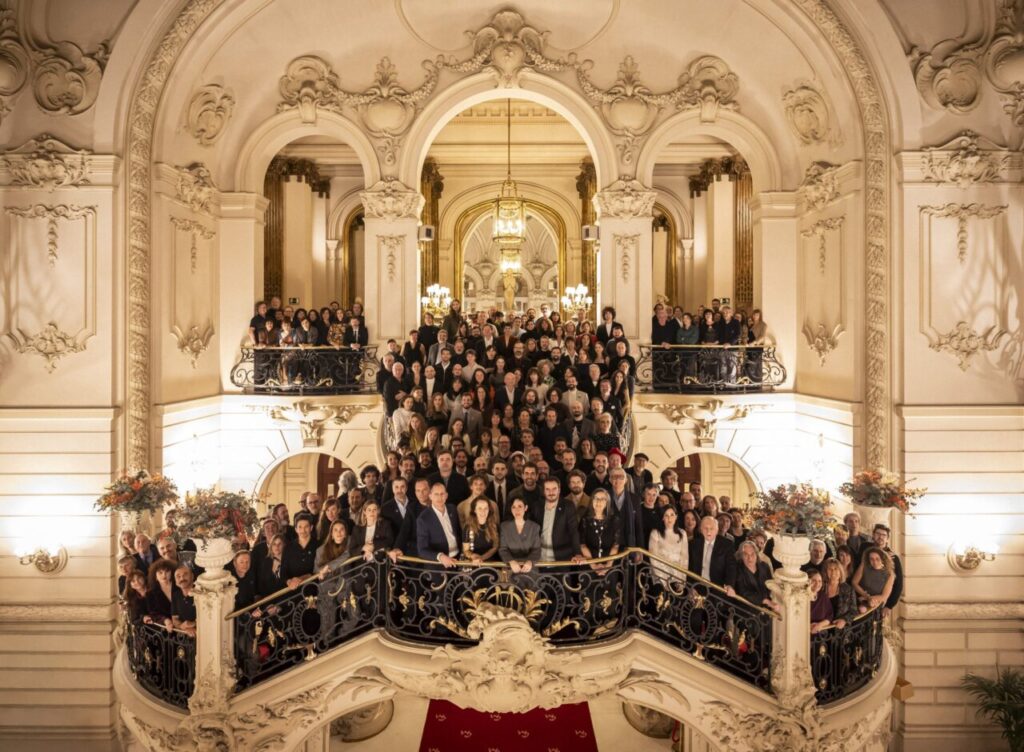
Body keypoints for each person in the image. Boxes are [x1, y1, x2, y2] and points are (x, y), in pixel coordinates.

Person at [531, 478, 583, 563]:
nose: (551, 492)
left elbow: (574, 532)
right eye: (547, 489)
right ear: (544, 491)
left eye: (554, 489)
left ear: (559, 490)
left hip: (562, 558)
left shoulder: (568, 506)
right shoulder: (537, 506)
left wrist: (577, 553)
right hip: (540, 558)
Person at [416, 482, 461, 567]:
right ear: (430, 496)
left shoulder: (453, 509)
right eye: (436, 494)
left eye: (442, 494)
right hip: (439, 564)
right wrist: (440, 556)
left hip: (458, 560)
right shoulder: (423, 519)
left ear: (446, 495)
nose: (439, 497)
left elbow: (458, 532)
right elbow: (422, 550)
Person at [689, 515, 737, 588]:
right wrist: (690, 587)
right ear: (701, 529)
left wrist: (729, 585)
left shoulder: (727, 544)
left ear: (717, 530)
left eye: (712, 528)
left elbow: (731, 567)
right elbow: (689, 567)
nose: (709, 531)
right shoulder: (693, 544)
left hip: (718, 588)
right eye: (705, 528)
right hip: (697, 586)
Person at [499, 498, 542, 574]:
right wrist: (511, 561)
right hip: (511, 569)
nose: (517, 510)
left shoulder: (535, 527)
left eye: (520, 506)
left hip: (529, 569)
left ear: (525, 508)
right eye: (513, 507)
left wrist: (530, 561)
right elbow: (503, 549)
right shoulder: (504, 526)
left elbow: (537, 550)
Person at [648, 506, 689, 586]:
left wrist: (682, 580)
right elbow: (653, 558)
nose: (669, 518)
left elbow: (684, 558)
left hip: (677, 576)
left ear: (676, 517)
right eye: (666, 515)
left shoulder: (682, 533)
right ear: (662, 518)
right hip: (659, 575)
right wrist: (663, 580)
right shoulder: (655, 532)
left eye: (672, 515)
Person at [731, 541, 775, 610]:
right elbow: (743, 592)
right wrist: (765, 601)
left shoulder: (764, 566)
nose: (750, 558)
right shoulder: (737, 569)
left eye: (752, 554)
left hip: (766, 610)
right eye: (746, 555)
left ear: (757, 554)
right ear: (741, 556)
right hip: (746, 612)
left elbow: (770, 586)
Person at [871, 524, 903, 616]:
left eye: (884, 535)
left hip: (881, 602)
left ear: (887, 539)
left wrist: (889, 605)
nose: (880, 537)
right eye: (878, 534)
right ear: (873, 535)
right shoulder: (865, 549)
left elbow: (898, 584)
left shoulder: (893, 558)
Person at [852, 546, 896, 613]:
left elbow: (884, 596)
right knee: (861, 609)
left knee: (868, 607)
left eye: (877, 559)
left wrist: (870, 599)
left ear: (882, 559)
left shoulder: (890, 574)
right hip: (859, 598)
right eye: (871, 559)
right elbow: (854, 583)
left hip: (876, 603)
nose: (874, 562)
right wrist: (866, 596)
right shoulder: (863, 566)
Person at [282, 515, 318, 588]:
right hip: (294, 592)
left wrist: (302, 578)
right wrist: (289, 581)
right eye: (300, 527)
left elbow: (320, 569)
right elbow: (283, 571)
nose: (303, 530)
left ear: (311, 528)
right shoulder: (288, 547)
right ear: (296, 529)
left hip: (315, 588)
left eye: (306, 527)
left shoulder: (319, 545)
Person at [462, 497, 500, 562]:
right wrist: (473, 556)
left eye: (486, 508)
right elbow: (466, 550)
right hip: (474, 562)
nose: (483, 511)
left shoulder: (494, 526)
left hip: (491, 562)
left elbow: (495, 547)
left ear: (489, 510)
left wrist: (482, 558)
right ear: (474, 510)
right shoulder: (467, 527)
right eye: (480, 508)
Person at [822, 558, 857, 628]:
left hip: (840, 630)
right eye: (830, 569)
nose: (833, 572)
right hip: (823, 629)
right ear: (826, 572)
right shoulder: (820, 587)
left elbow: (853, 611)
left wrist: (844, 620)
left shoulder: (848, 589)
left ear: (840, 572)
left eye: (836, 569)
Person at [145, 559, 177, 630]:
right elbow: (153, 613)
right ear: (155, 576)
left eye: (167, 571)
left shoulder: (179, 587)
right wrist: (165, 620)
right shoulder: (150, 594)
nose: (164, 575)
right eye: (160, 572)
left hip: (184, 627)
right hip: (164, 630)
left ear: (172, 573)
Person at [171, 566, 197, 635]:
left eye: (185, 574)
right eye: (178, 576)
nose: (182, 578)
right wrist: (183, 626)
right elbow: (175, 619)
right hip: (184, 638)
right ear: (175, 581)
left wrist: (193, 624)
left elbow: (209, 618)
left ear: (192, 576)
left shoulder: (201, 593)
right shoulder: (175, 595)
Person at [809, 569, 833, 633]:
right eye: (814, 580)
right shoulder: (800, 597)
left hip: (820, 635)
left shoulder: (823, 596)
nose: (817, 584)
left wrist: (819, 625)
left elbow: (829, 616)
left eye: (820, 581)